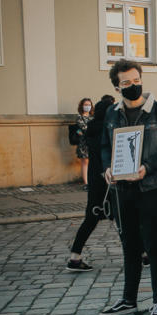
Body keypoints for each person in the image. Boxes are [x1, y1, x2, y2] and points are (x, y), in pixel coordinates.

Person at [100, 59, 157, 315]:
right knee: (129, 245)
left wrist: (148, 166)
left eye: (136, 81)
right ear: (116, 86)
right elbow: (104, 146)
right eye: (126, 83)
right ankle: (128, 298)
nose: (133, 86)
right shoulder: (112, 114)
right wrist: (106, 168)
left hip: (151, 187)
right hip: (122, 188)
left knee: (153, 244)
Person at [67, 95, 115, 271]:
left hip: (95, 180)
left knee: (90, 219)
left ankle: (74, 257)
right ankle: (143, 255)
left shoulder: (91, 129)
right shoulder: (109, 130)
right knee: (124, 218)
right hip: (110, 179)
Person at [75, 98, 94, 189]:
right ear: (82, 106)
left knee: (91, 162)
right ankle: (86, 183)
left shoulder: (92, 116)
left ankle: (91, 180)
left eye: (89, 105)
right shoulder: (79, 117)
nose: (88, 106)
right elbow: (84, 128)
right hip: (83, 143)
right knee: (85, 162)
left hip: (92, 142)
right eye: (86, 105)